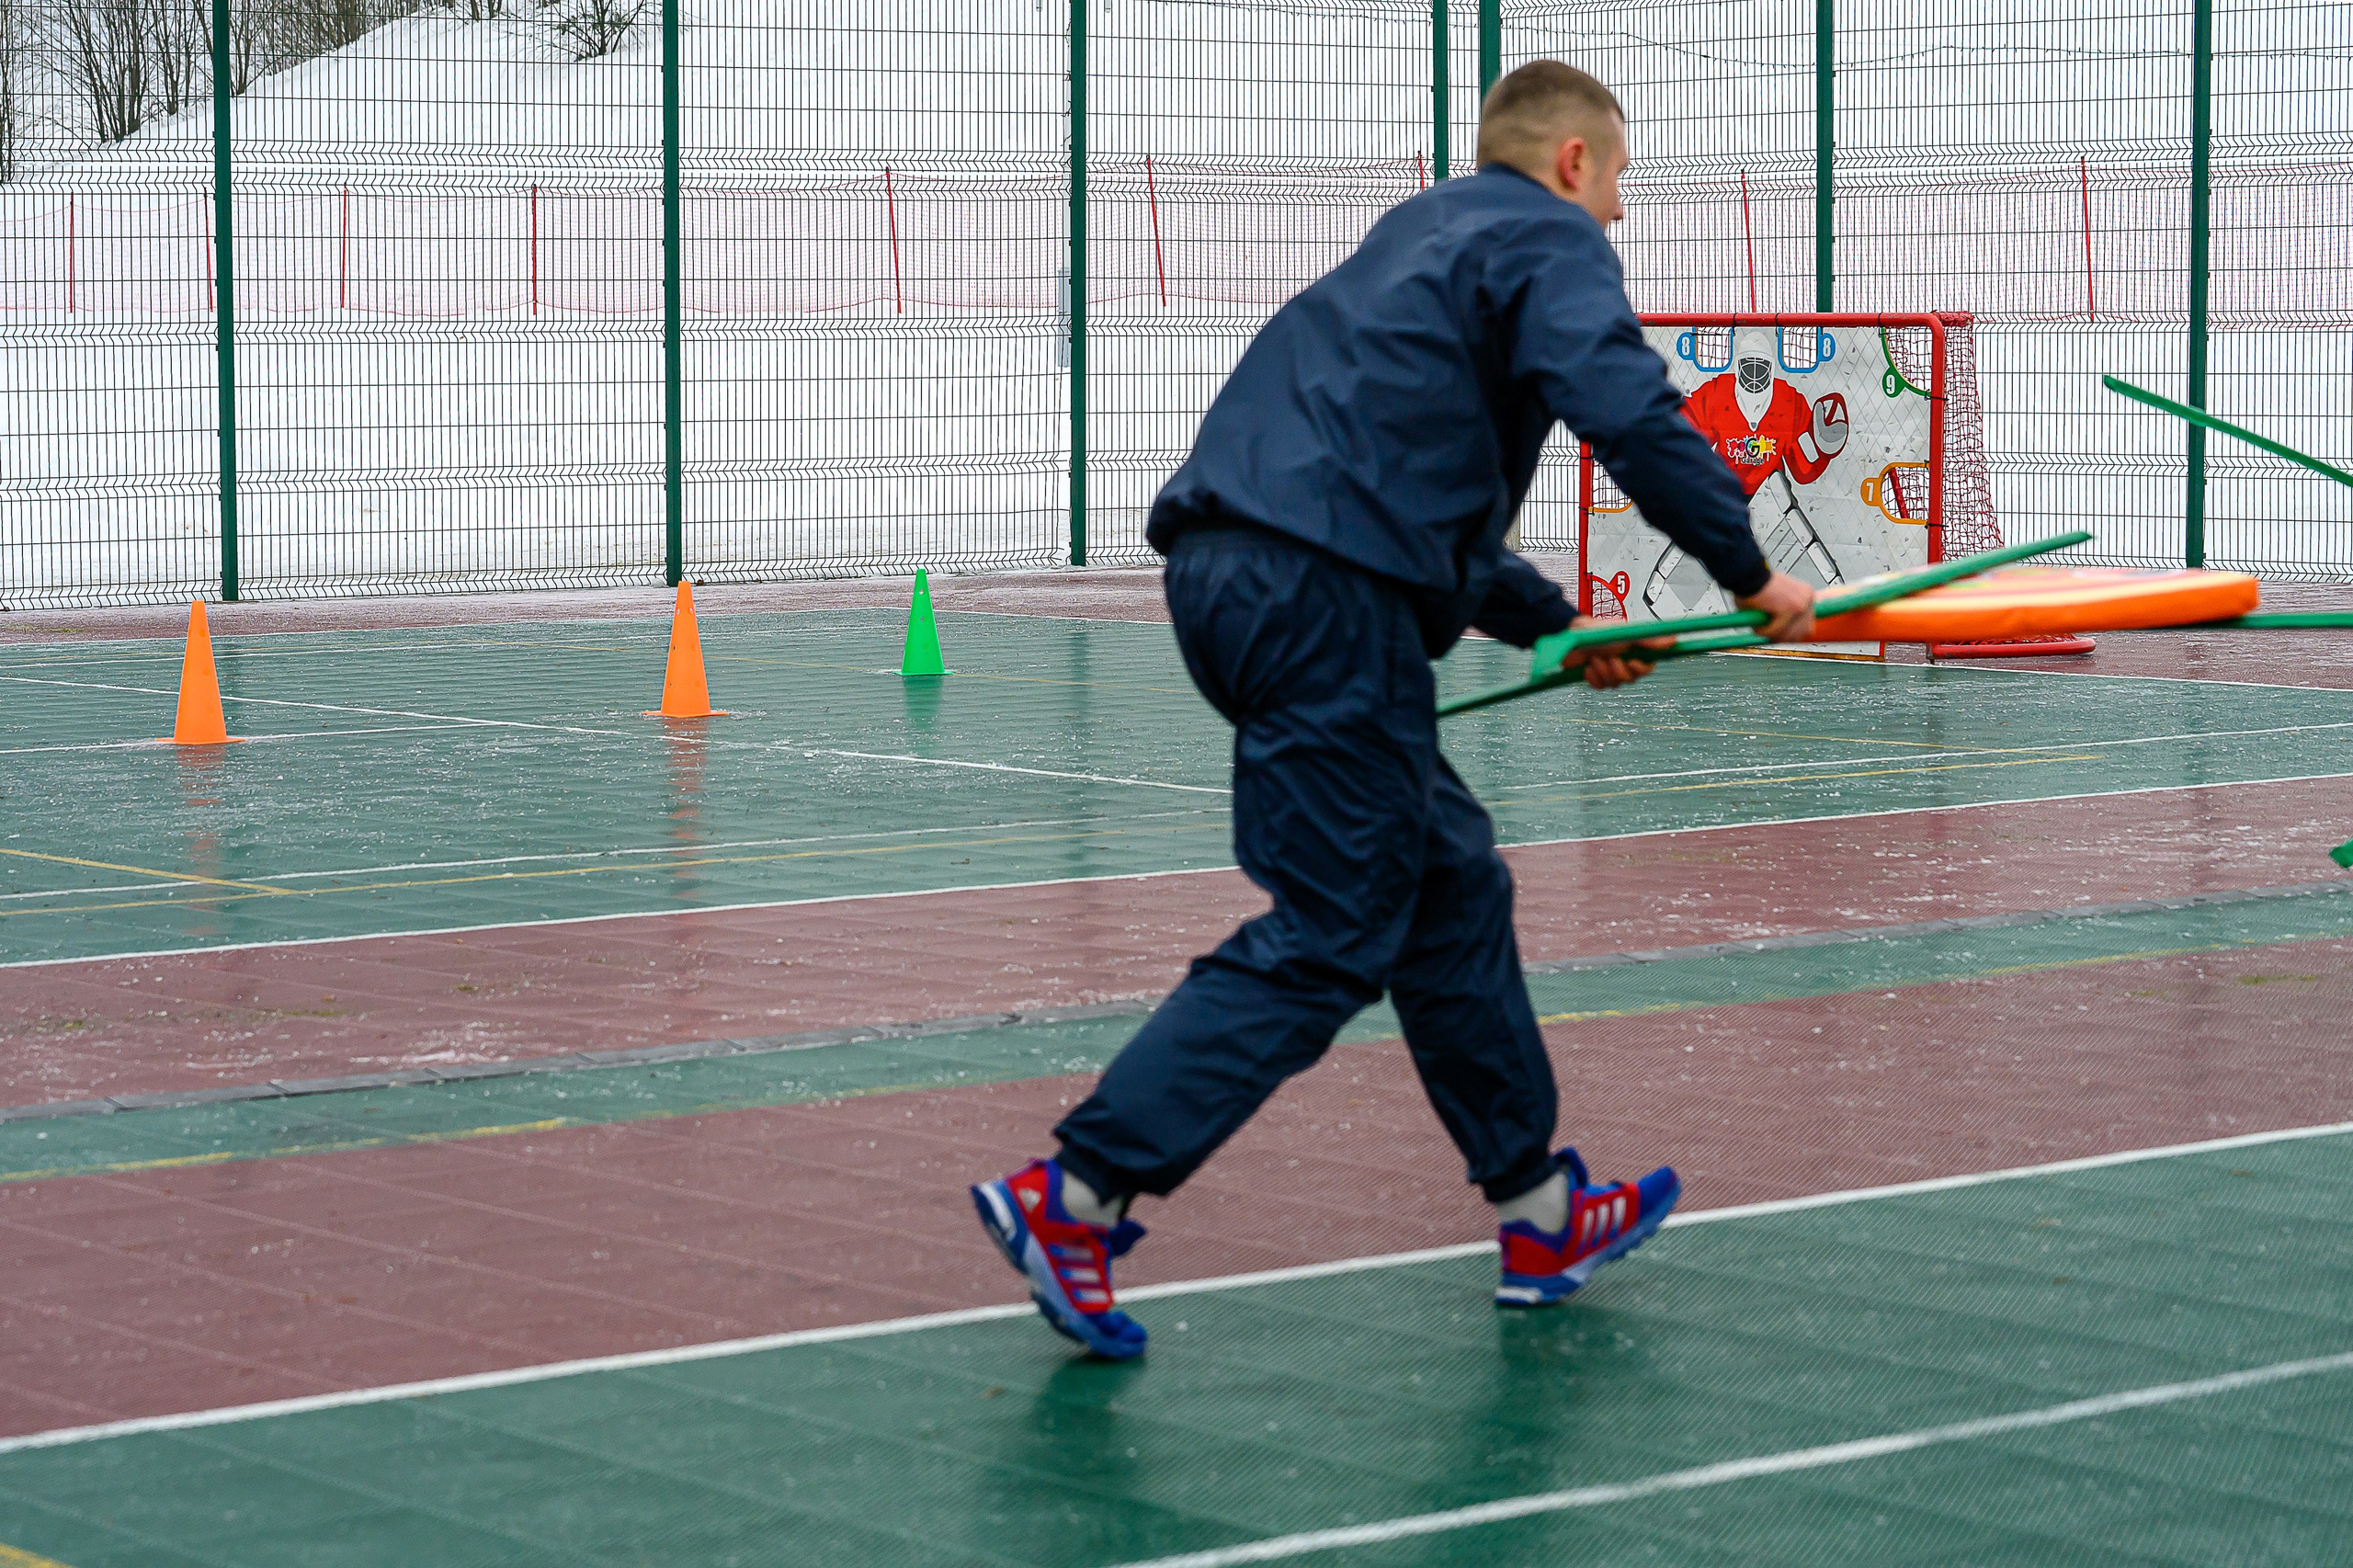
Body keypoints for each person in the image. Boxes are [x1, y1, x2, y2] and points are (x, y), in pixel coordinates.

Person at [972, 60, 1816, 1359]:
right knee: (1333, 928)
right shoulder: (1547, 233)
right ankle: (1074, 1192)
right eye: (1622, 186)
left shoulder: (1422, 236)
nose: (1621, 221)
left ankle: (1539, 1209)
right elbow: (1627, 408)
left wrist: (1556, 621)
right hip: (1326, 601)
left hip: (1249, 577)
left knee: (1449, 881)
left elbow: (1393, 495)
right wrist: (1750, 571)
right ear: (1576, 162)